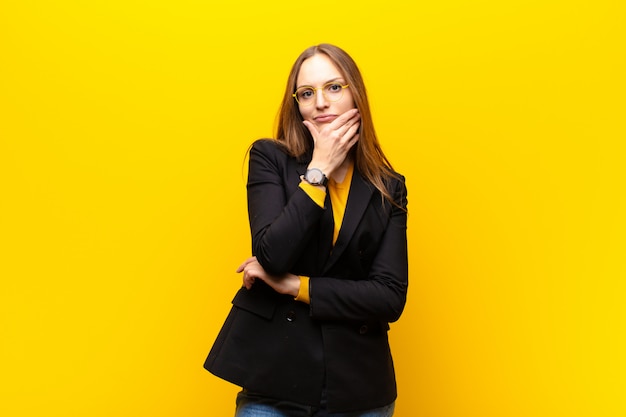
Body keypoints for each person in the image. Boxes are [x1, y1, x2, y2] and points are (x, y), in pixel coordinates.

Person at [204, 43, 408, 417]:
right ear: (296, 105)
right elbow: (272, 254)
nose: (321, 103)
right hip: (274, 379)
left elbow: (389, 297)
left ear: (356, 94)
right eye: (307, 93)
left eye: (334, 87)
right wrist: (318, 170)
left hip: (359, 385)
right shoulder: (270, 159)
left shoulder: (387, 186)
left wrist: (297, 286)